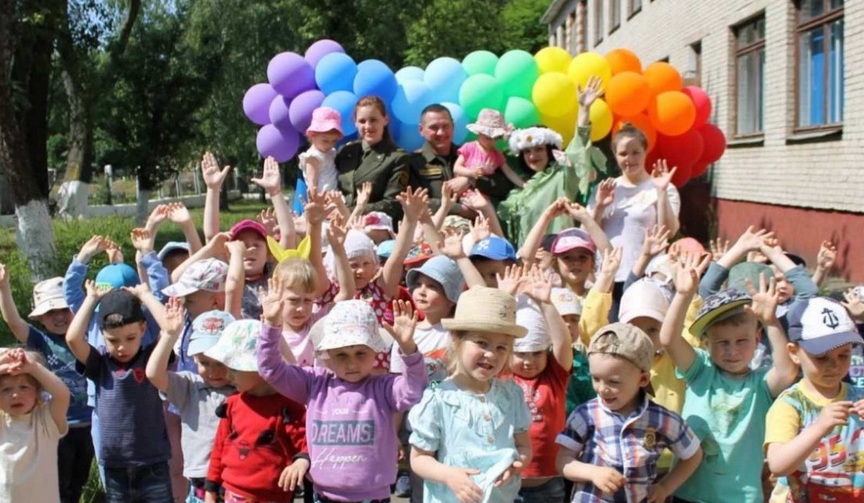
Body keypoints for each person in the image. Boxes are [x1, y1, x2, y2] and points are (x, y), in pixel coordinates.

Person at [257, 290, 428, 503]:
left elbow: (415, 389)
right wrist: (272, 326)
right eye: (341, 355)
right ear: (326, 356)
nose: (351, 363)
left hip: (372, 497)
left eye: (360, 353)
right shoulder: (314, 383)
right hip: (323, 495)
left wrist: (408, 349)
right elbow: (271, 370)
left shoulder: (384, 387)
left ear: (376, 352)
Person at [660, 252, 799, 503]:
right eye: (722, 342)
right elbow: (669, 339)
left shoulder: (760, 385)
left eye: (742, 341)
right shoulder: (701, 370)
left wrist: (770, 321)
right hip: (688, 492)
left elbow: (787, 371)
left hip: (741, 497)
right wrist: (682, 295)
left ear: (757, 339)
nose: (732, 351)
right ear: (706, 342)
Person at [409, 286, 532, 503]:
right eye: (481, 343)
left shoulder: (511, 394)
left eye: (501, 347)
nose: (491, 354)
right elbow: (419, 459)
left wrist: (516, 463)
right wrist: (449, 475)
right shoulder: (438, 396)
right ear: (456, 339)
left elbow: (523, 446)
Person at [556, 323, 703, 503]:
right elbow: (563, 461)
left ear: (642, 379)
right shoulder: (586, 414)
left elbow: (693, 455)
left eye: (613, 382)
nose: (602, 389)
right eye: (596, 379)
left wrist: (665, 487)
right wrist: (592, 472)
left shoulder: (662, 419)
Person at [65, 284, 174, 503]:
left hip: (152, 463)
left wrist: (145, 294)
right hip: (115, 466)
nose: (122, 347)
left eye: (130, 338)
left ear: (143, 329)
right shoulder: (100, 365)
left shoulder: (151, 359)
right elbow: (73, 339)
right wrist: (91, 299)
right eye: (113, 340)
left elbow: (170, 328)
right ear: (102, 334)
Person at [0, 269, 92, 503]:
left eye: (64, 309)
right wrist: (3, 287)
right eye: (51, 312)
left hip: (89, 421)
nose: (59, 316)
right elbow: (13, 321)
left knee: (79, 480)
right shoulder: (40, 340)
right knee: (59, 480)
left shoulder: (85, 335)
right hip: (55, 423)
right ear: (40, 317)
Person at [764, 297, 864, 503]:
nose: (834, 365)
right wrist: (819, 427)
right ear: (794, 352)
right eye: (821, 357)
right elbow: (778, 464)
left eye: (843, 355)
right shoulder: (790, 404)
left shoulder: (859, 397)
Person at [203, 319, 309, 503]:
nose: (228, 376)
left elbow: (306, 443)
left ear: (260, 368)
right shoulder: (232, 404)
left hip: (273, 496)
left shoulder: (288, 406)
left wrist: (302, 461)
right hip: (232, 494)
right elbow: (219, 448)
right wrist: (211, 488)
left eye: (234, 369)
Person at [498, 76, 607, 246]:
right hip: (530, 262)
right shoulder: (522, 190)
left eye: (539, 149)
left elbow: (577, 146)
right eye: (527, 151)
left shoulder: (562, 176)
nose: (533, 156)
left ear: (550, 150)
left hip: (559, 258)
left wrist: (584, 109)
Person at [145, 303, 236, 503]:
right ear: (194, 359)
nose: (213, 371)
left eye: (220, 362)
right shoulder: (189, 386)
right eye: (205, 363)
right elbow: (153, 374)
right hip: (201, 479)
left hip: (236, 476)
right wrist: (169, 336)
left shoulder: (244, 387)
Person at [590, 123, 682, 320]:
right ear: (615, 155)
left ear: (645, 153)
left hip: (649, 274)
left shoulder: (663, 187)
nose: (629, 159)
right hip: (611, 275)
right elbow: (588, 232)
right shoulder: (606, 188)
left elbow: (669, 231)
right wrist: (599, 206)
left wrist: (661, 192)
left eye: (635, 152)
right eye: (623, 153)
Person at [508, 268, 573, 503]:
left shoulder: (554, 377)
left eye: (536, 353)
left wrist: (546, 303)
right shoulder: (502, 376)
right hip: (508, 483)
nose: (528, 361)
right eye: (521, 353)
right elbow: (495, 336)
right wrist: (505, 301)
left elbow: (562, 341)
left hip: (550, 483)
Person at [0, 347, 70, 503]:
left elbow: (62, 394)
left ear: (38, 391)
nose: (15, 395)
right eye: (6, 390)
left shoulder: (46, 421)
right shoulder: (2, 422)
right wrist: (3, 364)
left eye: (24, 387)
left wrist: (32, 367)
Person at [335, 96, 410, 221]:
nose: (368, 126)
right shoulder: (346, 152)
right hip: (337, 219)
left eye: (373, 120)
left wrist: (348, 211)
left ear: (385, 120)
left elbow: (393, 204)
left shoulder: (396, 157)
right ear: (355, 123)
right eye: (362, 121)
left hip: (373, 222)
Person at [409, 104, 473, 216]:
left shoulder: (469, 155)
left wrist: (470, 180)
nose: (441, 132)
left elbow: (499, 184)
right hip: (435, 226)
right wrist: (460, 209)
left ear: (453, 126)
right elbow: (415, 200)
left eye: (445, 126)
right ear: (421, 130)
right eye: (434, 127)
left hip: (477, 226)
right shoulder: (413, 163)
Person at [453, 108, 521, 188]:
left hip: (485, 190)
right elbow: (456, 168)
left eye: (495, 138)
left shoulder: (496, 155)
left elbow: (509, 172)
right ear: (479, 133)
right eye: (488, 138)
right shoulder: (469, 147)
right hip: (465, 189)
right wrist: (471, 172)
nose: (491, 142)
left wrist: (523, 184)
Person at [299, 106, 343, 193]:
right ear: (312, 135)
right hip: (322, 198)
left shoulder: (330, 152)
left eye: (334, 141)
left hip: (334, 195)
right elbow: (312, 184)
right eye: (325, 141)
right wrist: (316, 201)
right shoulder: (313, 157)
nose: (330, 144)